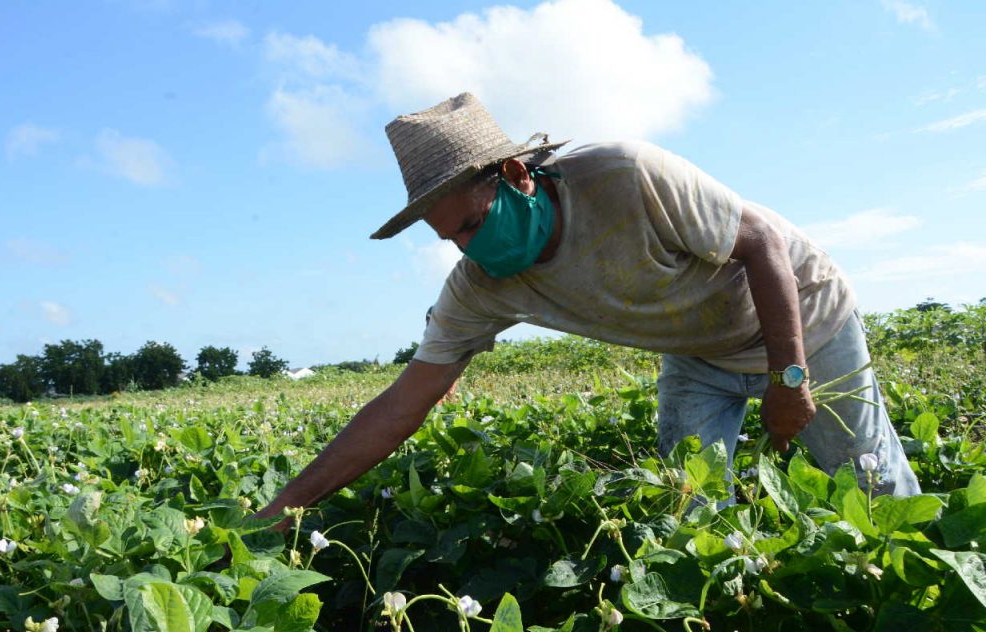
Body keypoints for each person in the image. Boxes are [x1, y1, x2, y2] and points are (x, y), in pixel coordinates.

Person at [257, 92, 920, 524]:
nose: (470, 249)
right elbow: (404, 403)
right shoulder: (481, 285)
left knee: (870, 489)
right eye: (452, 237)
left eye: (473, 222)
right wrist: (285, 504)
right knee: (688, 509)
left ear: (517, 175)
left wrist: (788, 378)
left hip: (803, 318)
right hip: (696, 352)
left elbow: (763, 244)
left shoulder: (623, 174)